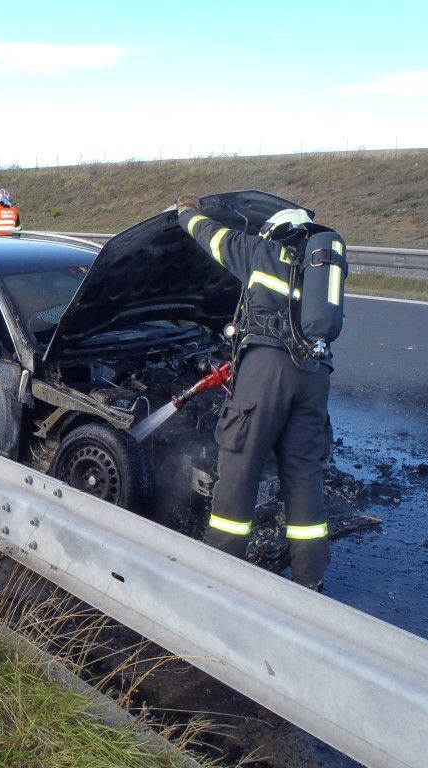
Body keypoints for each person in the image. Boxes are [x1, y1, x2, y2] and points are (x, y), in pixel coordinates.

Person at [173, 194, 346, 591]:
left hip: (268, 369)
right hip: (315, 373)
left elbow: (212, 236)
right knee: (304, 474)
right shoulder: (322, 268)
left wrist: (185, 213)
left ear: (277, 231)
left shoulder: (262, 251)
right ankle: (311, 579)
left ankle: (221, 572)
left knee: (239, 463)